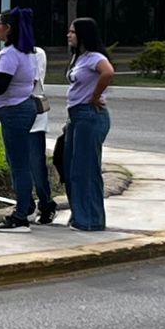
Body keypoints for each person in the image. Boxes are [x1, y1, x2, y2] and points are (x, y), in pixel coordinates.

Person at [0, 8, 52, 233]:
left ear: (8, 28)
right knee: (18, 162)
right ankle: (24, 206)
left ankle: (21, 217)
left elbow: (0, 87)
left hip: (15, 112)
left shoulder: (11, 54)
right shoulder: (26, 52)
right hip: (22, 110)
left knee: (19, 165)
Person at [64, 17, 115, 231]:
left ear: (84, 35)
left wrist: (95, 95)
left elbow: (108, 72)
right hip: (76, 116)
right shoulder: (80, 58)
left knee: (86, 169)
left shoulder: (95, 57)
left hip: (89, 115)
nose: (69, 35)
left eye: (73, 32)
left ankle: (90, 220)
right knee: (72, 167)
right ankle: (80, 214)